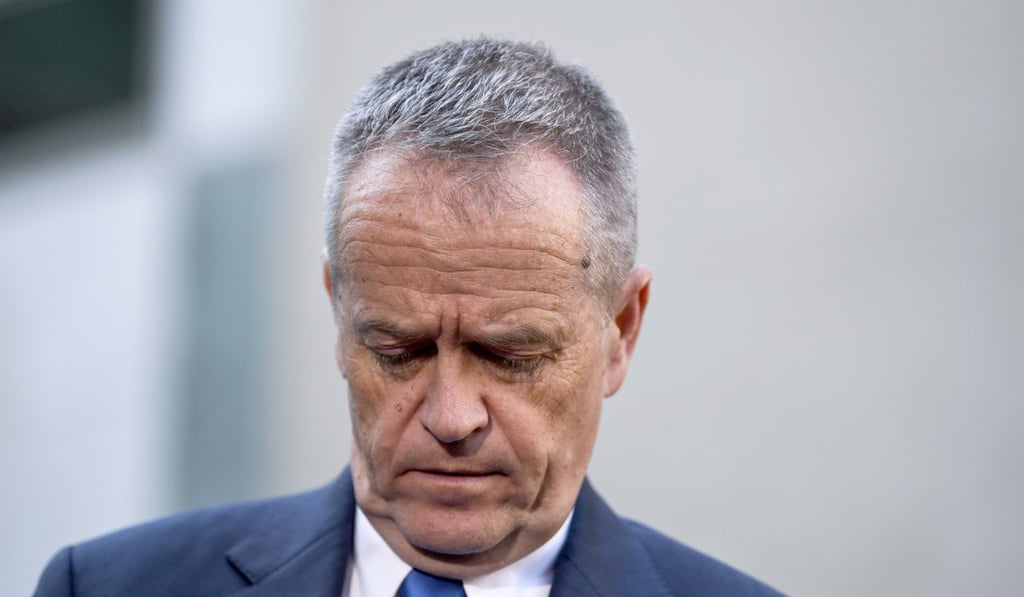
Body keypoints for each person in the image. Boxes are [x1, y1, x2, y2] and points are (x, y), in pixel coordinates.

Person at [35, 39, 782, 596]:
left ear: (621, 329)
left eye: (509, 355)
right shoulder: (104, 586)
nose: (451, 416)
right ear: (339, 312)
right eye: (397, 348)